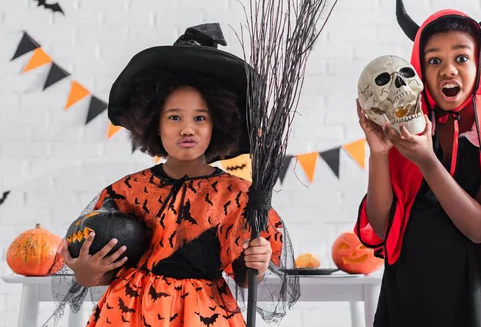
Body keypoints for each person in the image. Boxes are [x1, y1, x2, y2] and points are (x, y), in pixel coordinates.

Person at [47, 23, 299, 327]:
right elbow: (97, 270)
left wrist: (256, 264)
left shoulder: (239, 197)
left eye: (200, 118)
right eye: (174, 117)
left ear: (219, 124)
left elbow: (246, 278)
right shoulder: (126, 192)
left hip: (202, 314)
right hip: (127, 314)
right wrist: (86, 271)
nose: (187, 128)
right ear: (154, 123)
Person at [354, 0, 481, 327]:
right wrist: (379, 153)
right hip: (405, 297)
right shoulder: (408, 135)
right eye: (434, 60)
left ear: (480, 65)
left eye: (461, 58)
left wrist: (428, 163)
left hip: (471, 302)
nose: (448, 70)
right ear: (419, 72)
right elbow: (384, 224)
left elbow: (478, 230)